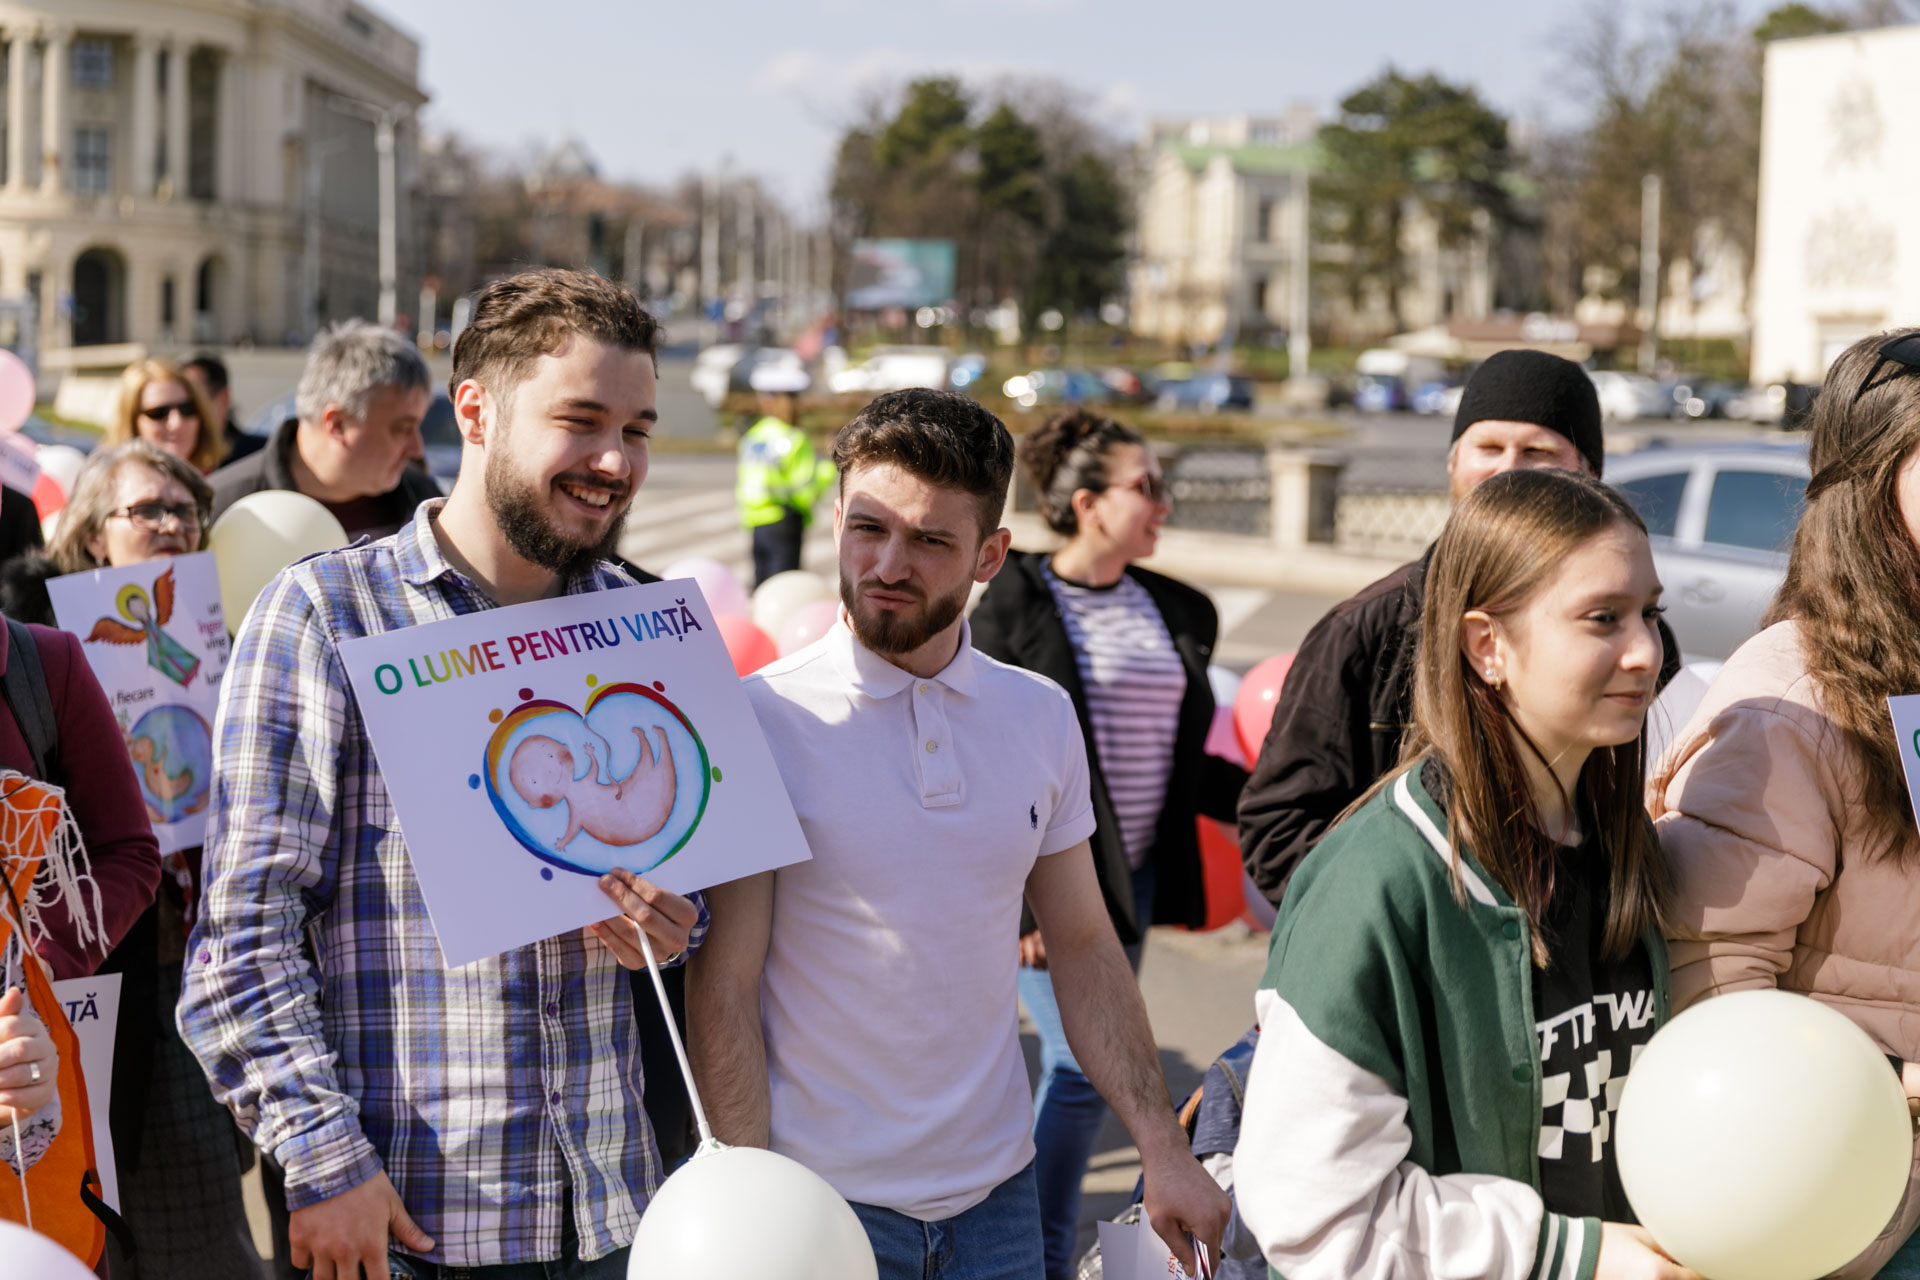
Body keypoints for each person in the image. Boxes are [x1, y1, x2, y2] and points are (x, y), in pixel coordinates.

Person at [178, 269, 706, 1280]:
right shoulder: (326, 614)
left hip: (614, 1210)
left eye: (637, 429)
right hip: (413, 1225)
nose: (615, 461)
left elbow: (692, 896)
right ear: (475, 412)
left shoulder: (640, 620)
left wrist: (675, 926)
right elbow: (241, 936)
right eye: (581, 421)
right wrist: (325, 1161)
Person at [689, 388, 1229, 1280]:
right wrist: (754, 1200)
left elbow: (1086, 946)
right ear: (836, 521)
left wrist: (1162, 1145)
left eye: (930, 541)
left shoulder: (1040, 714)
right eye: (868, 529)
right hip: (821, 1210)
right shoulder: (762, 720)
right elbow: (726, 986)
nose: (887, 564)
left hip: (998, 1204)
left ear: (990, 555)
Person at [1234, 467, 1695, 1280]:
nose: (1646, 651)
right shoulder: (1376, 881)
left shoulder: (1628, 851)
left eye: (1650, 613)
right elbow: (1314, 1214)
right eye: (1603, 618)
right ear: (1487, 645)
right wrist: (1568, 1255)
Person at [1651, 327, 1920, 1279]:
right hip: (1859, 1207)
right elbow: (1712, 992)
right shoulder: (1790, 700)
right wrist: (1895, 1095)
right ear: (1872, 487)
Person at [1238, 348, 1681, 905]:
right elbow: (1279, 830)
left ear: (1589, 476)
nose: (1509, 469)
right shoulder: (1365, 632)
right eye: (1488, 448)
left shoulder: (1639, 645)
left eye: (1538, 451)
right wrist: (1428, 918)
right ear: (1452, 464)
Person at [969, 408, 1248, 1280]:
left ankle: (1042, 1244)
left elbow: (1179, 757)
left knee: (1094, 1064)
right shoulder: (1016, 602)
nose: (1163, 503)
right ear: (1088, 504)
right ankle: (1044, 1251)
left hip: (1132, 878)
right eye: (1146, 487)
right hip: (1045, 879)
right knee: (1082, 1068)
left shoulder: (1172, 608)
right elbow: (990, 754)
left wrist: (1276, 800)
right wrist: (1023, 903)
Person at [18, 440, 264, 1277]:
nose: (169, 525)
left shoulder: (230, 638)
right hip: (108, 980)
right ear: (94, 534)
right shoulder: (48, 654)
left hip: (206, 962)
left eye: (184, 510)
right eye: (146, 509)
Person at [206, 319, 438, 540]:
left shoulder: (425, 502)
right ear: (337, 424)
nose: (416, 449)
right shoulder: (221, 509)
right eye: (402, 429)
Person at [736, 371, 832, 585]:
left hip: (755, 521)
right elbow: (804, 491)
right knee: (784, 587)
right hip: (784, 520)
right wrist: (828, 469)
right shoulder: (793, 438)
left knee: (762, 586)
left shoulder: (754, 436)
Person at [105, 357, 227, 475]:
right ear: (131, 421)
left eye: (187, 409)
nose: (176, 423)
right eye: (159, 413)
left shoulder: (221, 479)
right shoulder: (112, 485)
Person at [182, 352, 267, 463]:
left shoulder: (261, 455)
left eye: (197, 400)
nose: (177, 417)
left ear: (224, 398)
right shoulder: (170, 458)